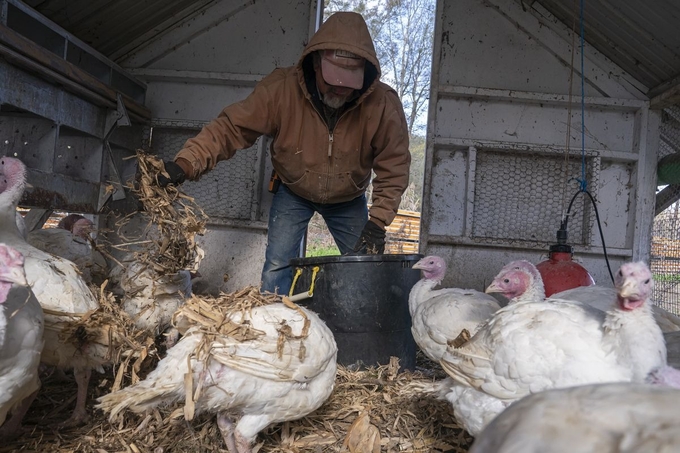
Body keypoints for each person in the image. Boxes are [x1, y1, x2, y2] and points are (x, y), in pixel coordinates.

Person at [155, 11, 411, 295]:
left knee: (366, 267)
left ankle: (363, 329)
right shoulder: (281, 90)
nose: (339, 89)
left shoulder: (383, 104)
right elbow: (231, 128)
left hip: (348, 198)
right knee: (277, 266)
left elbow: (395, 165)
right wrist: (186, 163)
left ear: (365, 74)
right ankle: (274, 326)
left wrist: (378, 221)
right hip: (294, 189)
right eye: (333, 80)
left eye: (348, 83)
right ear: (315, 62)